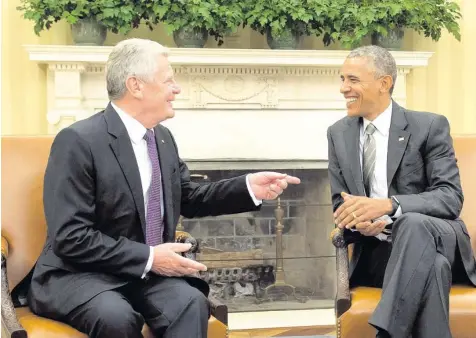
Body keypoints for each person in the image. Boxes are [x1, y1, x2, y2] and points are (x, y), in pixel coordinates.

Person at [27, 38, 300, 338]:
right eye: (168, 79)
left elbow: (190, 197)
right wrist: (151, 258)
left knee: (191, 302)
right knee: (115, 317)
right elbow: (71, 237)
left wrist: (249, 187)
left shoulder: (162, 138)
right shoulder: (78, 141)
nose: (177, 88)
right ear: (136, 86)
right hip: (78, 274)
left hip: (141, 274)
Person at [327, 45, 476, 338]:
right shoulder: (338, 134)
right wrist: (361, 224)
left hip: (438, 236)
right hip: (383, 254)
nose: (344, 88)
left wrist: (389, 206)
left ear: (384, 83)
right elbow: (340, 204)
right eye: (342, 79)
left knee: (412, 222)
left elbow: (450, 197)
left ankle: (387, 332)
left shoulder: (428, 126)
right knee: (433, 267)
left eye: (353, 80)